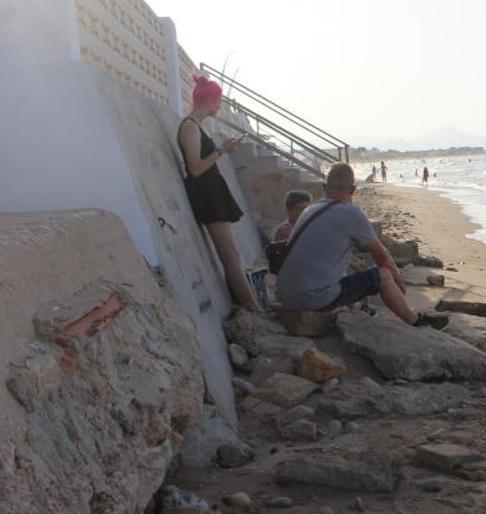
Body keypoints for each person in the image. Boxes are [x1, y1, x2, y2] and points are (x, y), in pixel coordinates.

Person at [274, 163, 448, 329]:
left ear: (324, 188)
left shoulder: (309, 210)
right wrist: (400, 284)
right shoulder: (351, 213)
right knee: (383, 275)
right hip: (311, 299)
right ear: (353, 190)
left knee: (340, 269)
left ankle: (356, 307)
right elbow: (382, 255)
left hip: (285, 295)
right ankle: (415, 320)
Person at [178, 74, 261, 311]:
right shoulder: (189, 127)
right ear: (210, 100)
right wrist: (222, 150)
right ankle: (253, 308)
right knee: (231, 256)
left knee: (231, 255)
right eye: (218, 101)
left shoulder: (195, 126)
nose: (219, 106)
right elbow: (195, 169)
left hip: (213, 193)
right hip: (207, 195)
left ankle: (246, 304)